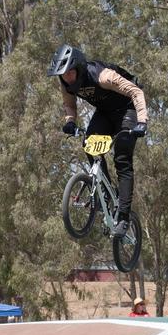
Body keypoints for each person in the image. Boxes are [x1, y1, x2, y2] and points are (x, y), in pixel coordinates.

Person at [47, 44, 148, 237]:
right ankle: (106, 193)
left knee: (122, 158)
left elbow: (136, 92)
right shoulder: (65, 83)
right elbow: (69, 104)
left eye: (69, 73)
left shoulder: (103, 76)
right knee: (89, 143)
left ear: (79, 67)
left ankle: (124, 217)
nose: (66, 78)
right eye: (62, 75)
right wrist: (70, 121)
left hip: (128, 110)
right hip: (105, 113)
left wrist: (142, 122)